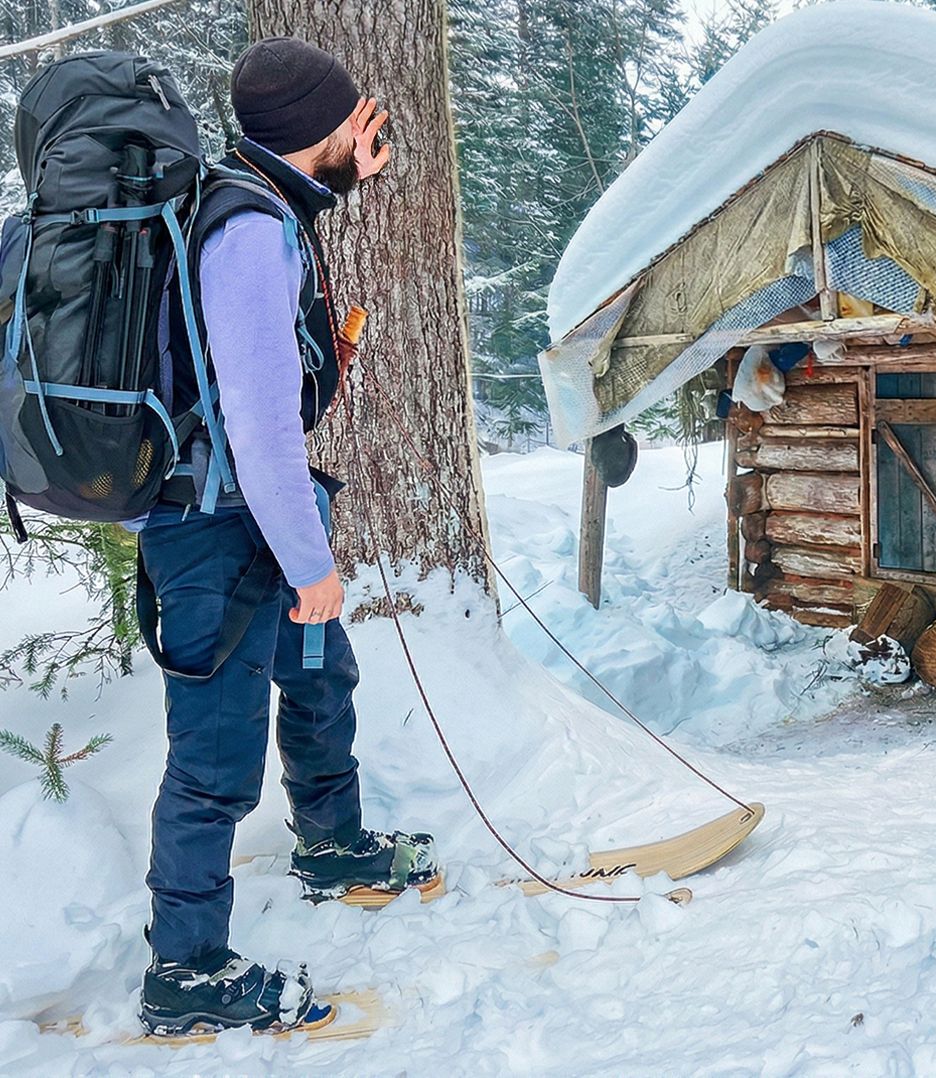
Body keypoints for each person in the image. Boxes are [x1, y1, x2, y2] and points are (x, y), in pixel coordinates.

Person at [136, 37, 438, 1035]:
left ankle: (332, 843)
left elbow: (290, 207)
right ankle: (186, 971)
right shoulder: (248, 236)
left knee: (319, 675)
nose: (371, 130)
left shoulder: (262, 200)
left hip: (254, 509)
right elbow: (261, 421)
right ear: (321, 128)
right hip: (213, 530)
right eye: (358, 121)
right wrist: (310, 565)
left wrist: (340, 179)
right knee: (213, 762)